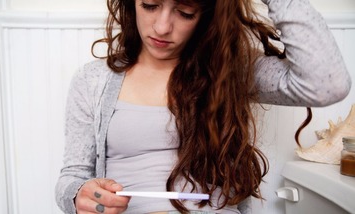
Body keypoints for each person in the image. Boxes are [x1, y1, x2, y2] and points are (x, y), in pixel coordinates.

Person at [55, 0, 351, 213]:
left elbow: (328, 84)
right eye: (150, 5)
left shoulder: (228, 71)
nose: (162, 26)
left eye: (184, 12)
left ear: (205, 16)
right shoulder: (93, 80)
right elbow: (73, 176)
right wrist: (79, 195)